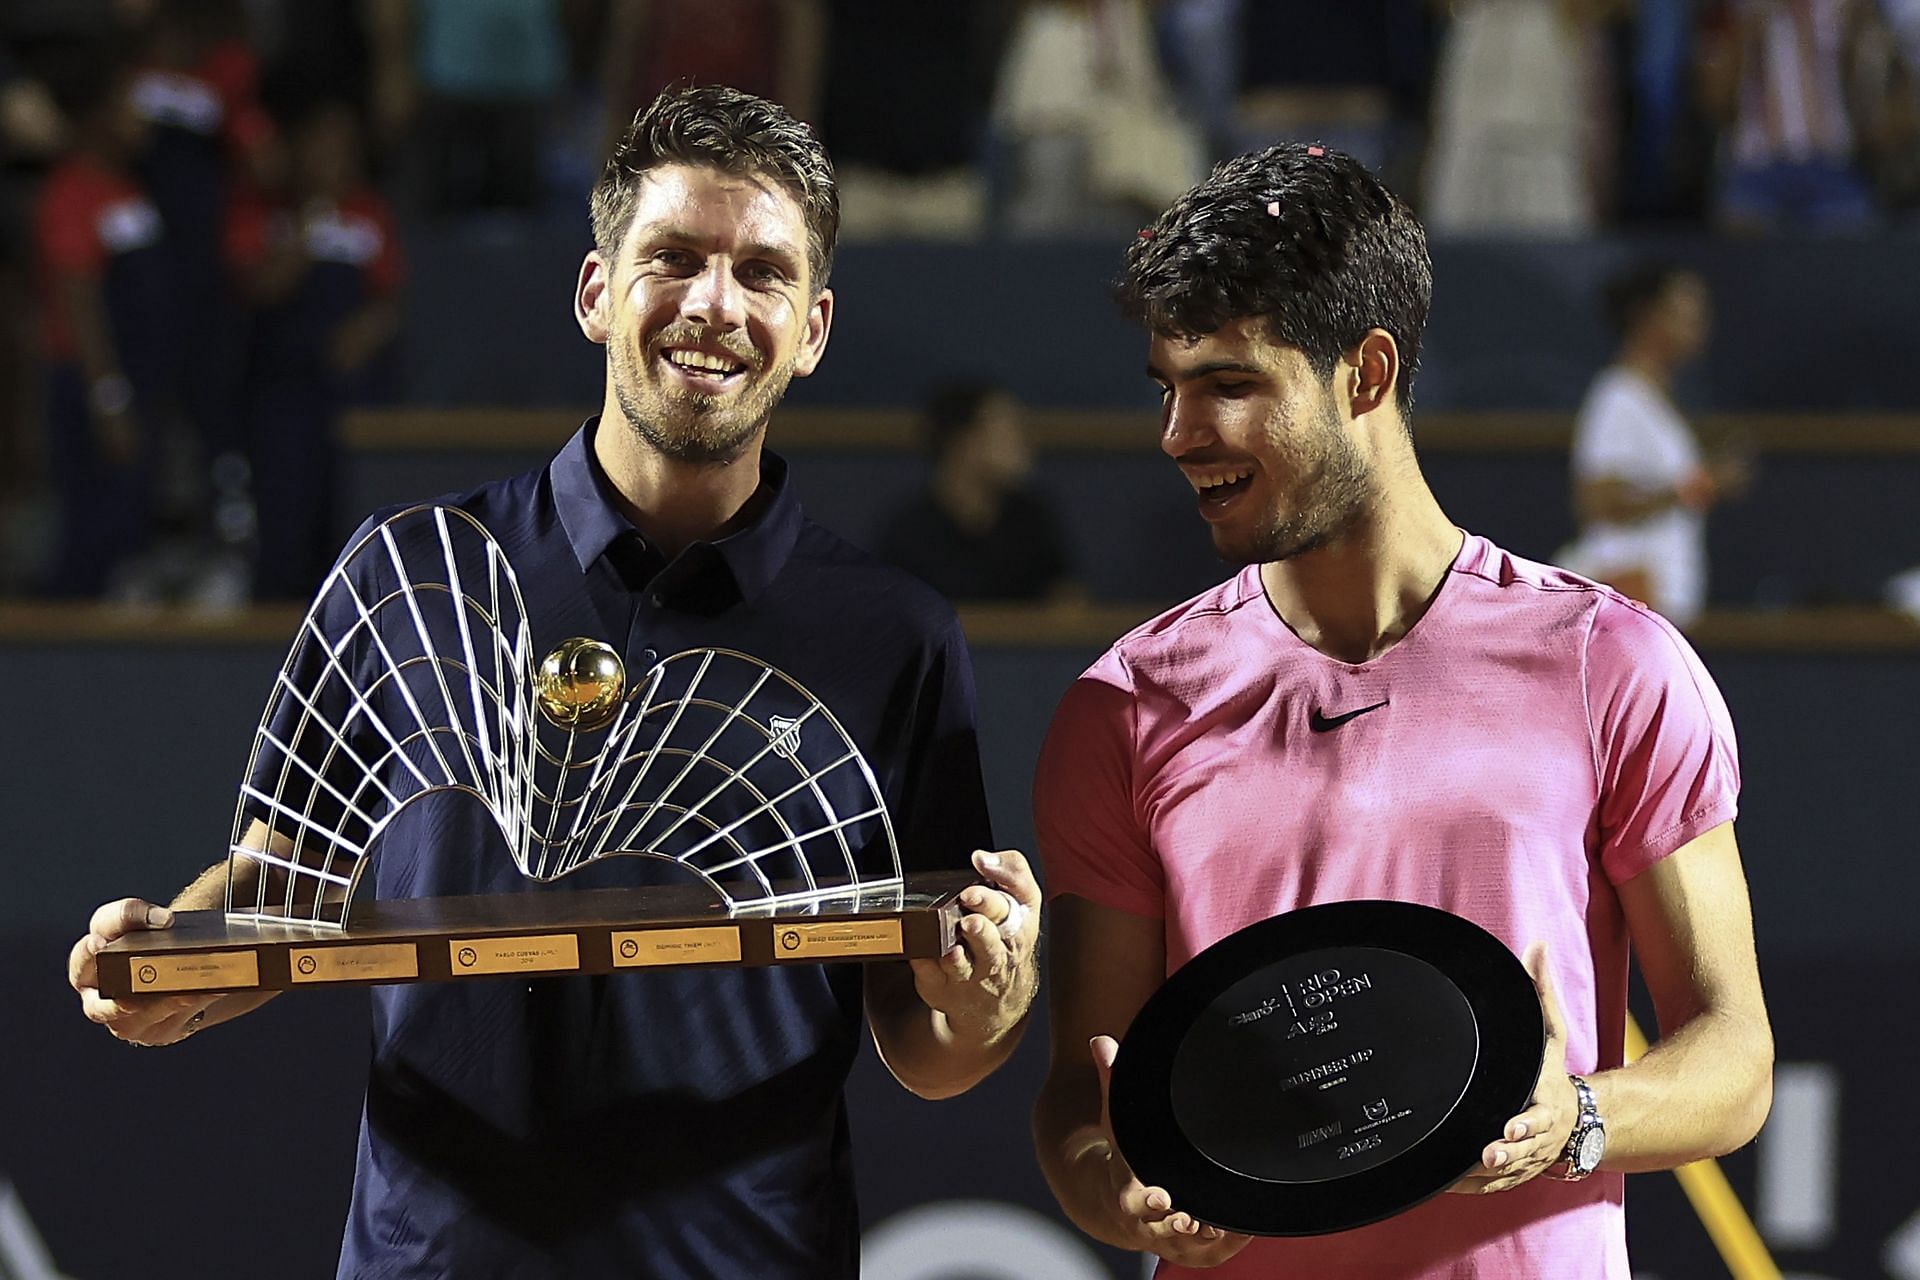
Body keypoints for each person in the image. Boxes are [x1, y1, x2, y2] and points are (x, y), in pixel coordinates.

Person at [67, 85, 1042, 1280]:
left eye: (762, 272)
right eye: (672, 258)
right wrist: (181, 960)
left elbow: (924, 1039)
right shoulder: (407, 573)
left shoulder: (897, 634)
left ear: (815, 325)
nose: (714, 305)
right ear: (596, 290)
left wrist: (986, 1008)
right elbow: (290, 882)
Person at [1030, 142, 1773, 1278]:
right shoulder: (1124, 705)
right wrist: (1116, 1186)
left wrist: (1567, 1118)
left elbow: (1734, 1059)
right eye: (1167, 388)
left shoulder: (1610, 661)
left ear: (1365, 373)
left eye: (1229, 384)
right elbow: (1084, 1099)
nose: (1179, 433)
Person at [227, 98, 404, 601]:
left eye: (344, 147)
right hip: (284, 392)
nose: (335, 158)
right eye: (322, 146)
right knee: (285, 516)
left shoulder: (370, 213)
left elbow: (391, 298)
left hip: (350, 393)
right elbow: (260, 287)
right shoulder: (265, 214)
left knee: (348, 518)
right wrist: (308, 222)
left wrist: (366, 330)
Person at [1559, 262, 1748, 629]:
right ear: (1646, 316)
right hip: (1629, 595)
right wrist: (1700, 485)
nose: (1699, 324)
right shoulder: (1617, 397)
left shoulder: (1654, 399)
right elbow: (1595, 502)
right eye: (1685, 311)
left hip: (1654, 606)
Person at [878, 381, 1075, 602]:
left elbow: (1067, 602)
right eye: (1009, 429)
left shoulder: (1033, 519)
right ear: (965, 442)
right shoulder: (908, 532)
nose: (1024, 443)